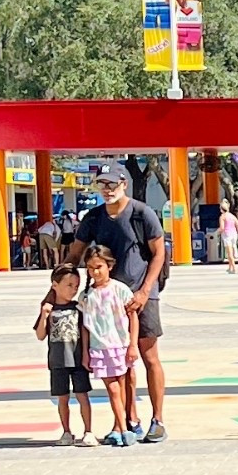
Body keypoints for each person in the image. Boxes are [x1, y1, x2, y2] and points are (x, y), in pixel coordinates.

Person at [67, 162, 167, 444]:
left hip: (138, 294)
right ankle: (128, 420)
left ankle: (157, 419)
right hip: (106, 299)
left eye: (112, 183)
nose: (107, 189)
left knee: (148, 356)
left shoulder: (141, 213)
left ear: (124, 183)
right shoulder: (94, 217)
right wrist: (58, 291)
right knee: (121, 364)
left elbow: (158, 253)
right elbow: (75, 255)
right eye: (102, 184)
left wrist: (146, 290)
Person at [78, 246, 139, 447]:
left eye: (99, 267)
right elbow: (85, 326)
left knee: (120, 386)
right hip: (99, 348)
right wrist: (86, 352)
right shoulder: (86, 295)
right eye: (90, 268)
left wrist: (132, 345)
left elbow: (133, 317)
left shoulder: (120, 289)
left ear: (109, 266)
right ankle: (122, 428)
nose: (95, 272)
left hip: (120, 345)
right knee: (113, 388)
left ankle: (119, 427)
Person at [35, 264, 95, 445]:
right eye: (69, 285)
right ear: (55, 284)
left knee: (82, 395)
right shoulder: (49, 308)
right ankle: (67, 431)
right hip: (58, 361)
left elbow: (85, 332)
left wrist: (86, 355)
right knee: (62, 398)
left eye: (76, 286)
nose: (73, 289)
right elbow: (40, 335)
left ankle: (88, 431)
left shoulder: (78, 308)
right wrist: (44, 315)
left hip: (77, 359)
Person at [219, 204, 238, 273]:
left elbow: (222, 228)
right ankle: (230, 268)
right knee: (232, 250)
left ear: (221, 209)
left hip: (227, 235)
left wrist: (218, 232)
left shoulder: (222, 217)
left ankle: (234, 268)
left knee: (229, 253)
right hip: (234, 235)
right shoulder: (232, 216)